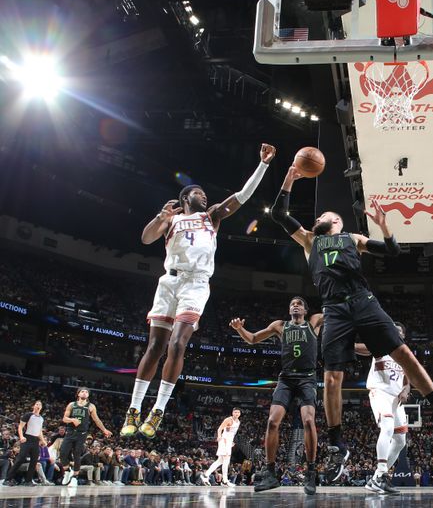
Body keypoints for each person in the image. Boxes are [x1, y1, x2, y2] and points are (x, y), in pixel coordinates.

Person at [269, 164, 433, 483]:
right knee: (332, 378)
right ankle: (337, 443)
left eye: (324, 214)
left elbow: (393, 250)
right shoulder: (310, 241)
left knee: (403, 354)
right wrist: (289, 178)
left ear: (335, 221)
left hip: (363, 300)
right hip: (334, 309)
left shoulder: (353, 238)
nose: (317, 216)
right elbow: (278, 214)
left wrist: (385, 227)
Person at [121, 143, 277, 439]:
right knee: (155, 347)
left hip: (196, 283)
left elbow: (242, 197)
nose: (204, 196)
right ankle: (135, 407)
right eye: (198, 193)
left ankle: (158, 410)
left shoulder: (213, 216)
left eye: (205, 194)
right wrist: (160, 217)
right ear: (185, 197)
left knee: (178, 344)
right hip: (169, 282)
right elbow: (145, 238)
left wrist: (263, 165)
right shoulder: (172, 219)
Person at [231, 297, 323, 495]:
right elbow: (253, 339)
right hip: (286, 379)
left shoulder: (313, 322)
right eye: (292, 303)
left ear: (305, 310)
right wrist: (239, 329)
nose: (295, 305)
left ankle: (311, 472)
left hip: (307, 378)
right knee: (272, 422)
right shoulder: (280, 326)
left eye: (299, 303)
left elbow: (335, 313)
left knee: (308, 421)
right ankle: (271, 473)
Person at [355, 322, 410, 495]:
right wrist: (345, 343)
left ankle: (376, 478)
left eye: (399, 331)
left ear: (403, 336)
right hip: (380, 392)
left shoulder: (405, 354)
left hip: (396, 398)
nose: (395, 333)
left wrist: (406, 390)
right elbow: (362, 348)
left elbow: (408, 377)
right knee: (386, 427)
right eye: (393, 330)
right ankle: (381, 473)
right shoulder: (380, 345)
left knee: (401, 440)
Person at [60, 387, 113, 485]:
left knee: (77, 454)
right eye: (82, 391)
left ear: (88, 395)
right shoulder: (72, 404)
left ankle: (75, 477)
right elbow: (64, 419)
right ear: (78, 394)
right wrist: (72, 420)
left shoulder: (91, 406)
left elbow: (96, 420)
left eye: (86, 392)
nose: (84, 393)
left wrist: (104, 430)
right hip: (70, 432)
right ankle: (67, 471)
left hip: (82, 434)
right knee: (63, 452)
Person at [6, 401, 46, 486]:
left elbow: (39, 431)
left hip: (35, 440)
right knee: (20, 459)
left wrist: (42, 440)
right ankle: (8, 479)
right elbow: (20, 427)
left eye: (40, 405)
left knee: (34, 461)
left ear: (41, 407)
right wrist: (21, 437)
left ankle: (28, 481)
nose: (38, 406)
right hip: (27, 438)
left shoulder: (41, 418)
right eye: (36, 404)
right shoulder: (28, 415)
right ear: (33, 406)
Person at [199, 408, 242, 487]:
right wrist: (219, 436)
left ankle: (205, 475)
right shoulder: (228, 420)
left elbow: (233, 433)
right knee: (226, 461)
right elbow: (220, 429)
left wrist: (232, 441)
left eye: (238, 412)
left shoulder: (238, 422)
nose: (237, 413)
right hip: (224, 440)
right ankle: (225, 481)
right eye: (235, 412)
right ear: (232, 413)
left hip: (229, 441)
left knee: (220, 461)